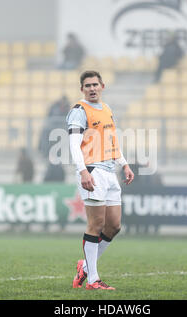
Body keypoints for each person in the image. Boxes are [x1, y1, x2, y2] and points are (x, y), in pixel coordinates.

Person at [66, 70, 134, 290]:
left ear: (102, 86)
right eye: (88, 86)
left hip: (110, 171)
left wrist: (124, 163)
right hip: (93, 171)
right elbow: (74, 145)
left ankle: (85, 267)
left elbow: (111, 141)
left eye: (95, 84)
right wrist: (83, 171)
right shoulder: (78, 111)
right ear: (82, 89)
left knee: (114, 226)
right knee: (96, 225)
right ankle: (93, 280)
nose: (92, 88)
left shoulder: (106, 109)